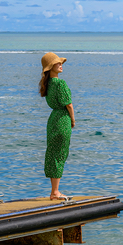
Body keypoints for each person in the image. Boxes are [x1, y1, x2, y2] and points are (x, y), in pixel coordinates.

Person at [39, 52, 75, 200]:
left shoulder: (47, 85)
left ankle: (54, 191)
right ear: (50, 67)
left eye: (60, 63)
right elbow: (69, 105)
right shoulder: (60, 83)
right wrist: (73, 120)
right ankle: (55, 192)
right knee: (60, 153)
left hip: (53, 119)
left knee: (54, 152)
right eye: (57, 63)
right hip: (62, 119)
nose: (60, 65)